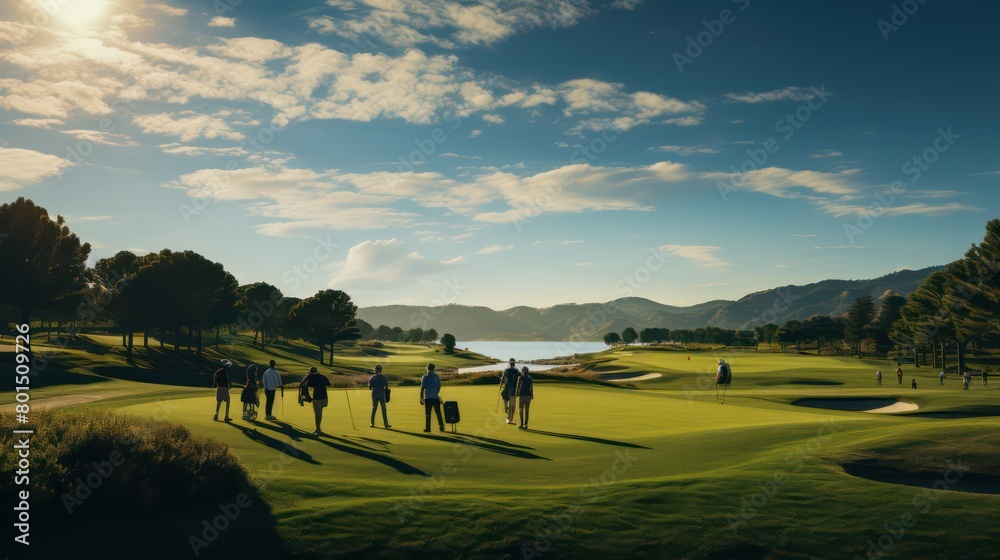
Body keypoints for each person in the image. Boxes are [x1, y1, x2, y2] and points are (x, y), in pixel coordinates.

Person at [301, 367, 331, 435]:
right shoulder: (322, 377)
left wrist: (307, 375)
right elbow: (328, 384)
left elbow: (303, 384)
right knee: (320, 413)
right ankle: (318, 428)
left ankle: (318, 429)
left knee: (317, 414)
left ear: (310, 372)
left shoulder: (310, 377)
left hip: (316, 397)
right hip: (324, 397)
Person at [420, 363, 445, 432]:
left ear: (427, 368)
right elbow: (439, 386)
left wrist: (421, 398)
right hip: (435, 397)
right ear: (433, 368)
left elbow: (422, 388)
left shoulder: (424, 377)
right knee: (438, 412)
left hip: (428, 397)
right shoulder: (436, 376)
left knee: (428, 413)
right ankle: (441, 426)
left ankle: (428, 428)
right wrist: (436, 392)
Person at [499, 358, 520, 425]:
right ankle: (509, 418)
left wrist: (500, 385)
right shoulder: (515, 370)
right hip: (511, 389)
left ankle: (509, 418)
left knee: (510, 405)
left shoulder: (507, 370)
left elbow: (502, 379)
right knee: (511, 405)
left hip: (510, 388)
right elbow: (503, 379)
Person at [516, 366, 533, 430]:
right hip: (528, 395)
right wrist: (532, 395)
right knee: (527, 410)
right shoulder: (530, 378)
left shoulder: (520, 378)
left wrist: (516, 394)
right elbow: (531, 387)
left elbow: (518, 387)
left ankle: (521, 424)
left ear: (522, 371)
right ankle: (526, 424)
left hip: (522, 395)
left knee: (521, 409)